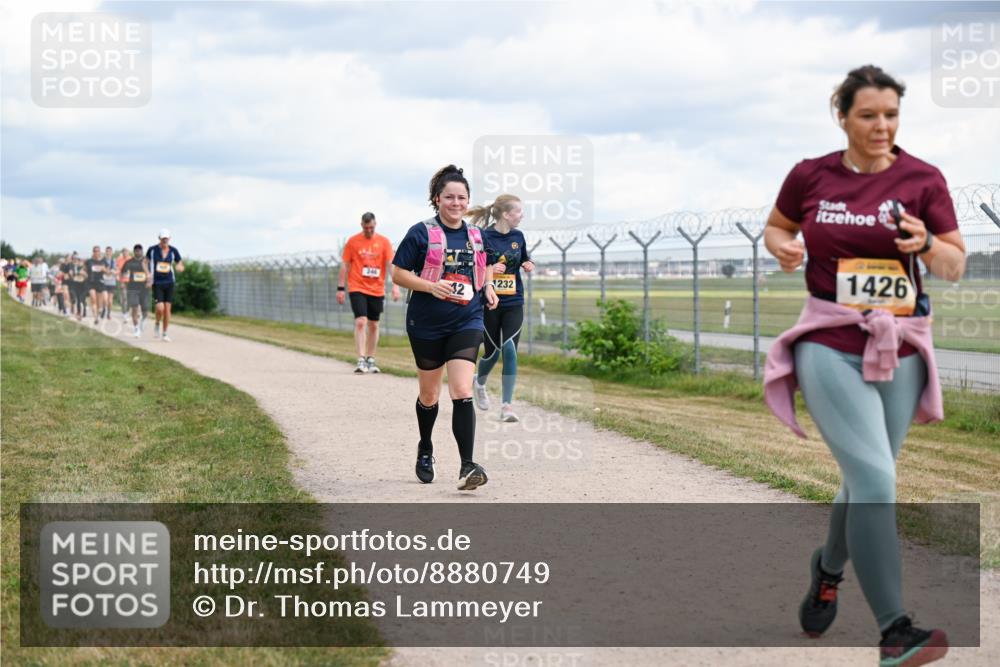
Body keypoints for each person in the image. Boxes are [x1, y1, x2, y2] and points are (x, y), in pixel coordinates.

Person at [762, 65, 965, 667]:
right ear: (843, 116)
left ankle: (827, 572)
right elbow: (776, 228)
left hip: (901, 344)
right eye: (869, 115)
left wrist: (926, 244)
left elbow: (954, 264)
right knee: (877, 480)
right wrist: (783, 248)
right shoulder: (811, 175)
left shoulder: (923, 179)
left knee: (864, 480)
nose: (882, 126)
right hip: (828, 339)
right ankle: (894, 631)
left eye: (891, 115)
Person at [390, 165, 499, 490]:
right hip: (427, 323)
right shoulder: (420, 233)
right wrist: (430, 286)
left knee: (462, 390)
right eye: (449, 197)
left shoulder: (476, 235)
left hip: (467, 319)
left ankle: (467, 466)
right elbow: (398, 273)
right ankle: (425, 448)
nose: (456, 203)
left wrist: (488, 286)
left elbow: (486, 262)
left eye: (461, 198)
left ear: (468, 200)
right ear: (437, 199)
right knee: (429, 394)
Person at [467, 195, 535, 422]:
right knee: (493, 352)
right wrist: (490, 269)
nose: (522, 216)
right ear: (506, 214)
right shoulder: (484, 236)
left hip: (514, 301)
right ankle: (480, 382)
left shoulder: (518, 236)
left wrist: (528, 263)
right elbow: (475, 267)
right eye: (519, 211)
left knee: (510, 349)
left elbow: (524, 258)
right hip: (490, 301)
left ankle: (507, 406)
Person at [336, 212, 401, 373]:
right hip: (357, 286)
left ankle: (370, 358)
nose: (369, 230)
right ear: (362, 226)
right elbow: (345, 265)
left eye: (371, 227)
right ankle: (361, 358)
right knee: (361, 321)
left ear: (375, 224)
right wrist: (340, 288)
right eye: (366, 228)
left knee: (374, 324)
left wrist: (395, 286)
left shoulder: (384, 242)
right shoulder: (353, 241)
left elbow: (391, 265)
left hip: (376, 288)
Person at [146, 229, 184, 342]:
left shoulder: (173, 251)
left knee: (167, 309)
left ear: (169, 238)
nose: (165, 241)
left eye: (166, 239)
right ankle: (157, 323)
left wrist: (180, 267)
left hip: (169, 282)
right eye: (163, 239)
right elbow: (144, 262)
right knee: (160, 308)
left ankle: (165, 333)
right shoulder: (152, 250)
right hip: (157, 282)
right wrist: (148, 274)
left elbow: (180, 263)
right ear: (159, 238)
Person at [121, 244, 150, 337]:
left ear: (142, 251)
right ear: (134, 252)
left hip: (144, 289)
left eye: (139, 250)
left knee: (145, 311)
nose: (138, 252)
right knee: (135, 308)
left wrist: (150, 282)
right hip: (132, 288)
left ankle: (143, 320)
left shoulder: (147, 262)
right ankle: (136, 328)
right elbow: (123, 272)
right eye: (136, 250)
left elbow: (152, 273)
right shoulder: (129, 262)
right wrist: (123, 280)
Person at [84, 245, 106, 325]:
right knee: (93, 299)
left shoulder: (103, 261)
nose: (96, 252)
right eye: (95, 251)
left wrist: (104, 269)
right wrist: (83, 273)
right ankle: (95, 318)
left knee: (99, 302)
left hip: (99, 282)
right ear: (93, 252)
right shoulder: (89, 261)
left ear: (100, 252)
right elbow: (84, 270)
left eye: (98, 251)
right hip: (90, 282)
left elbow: (107, 271)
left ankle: (100, 309)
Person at [65, 253, 88, 320]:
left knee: (81, 300)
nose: (75, 260)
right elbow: (69, 274)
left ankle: (83, 311)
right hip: (74, 284)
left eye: (77, 259)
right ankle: (78, 314)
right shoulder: (71, 266)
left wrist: (84, 274)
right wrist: (70, 275)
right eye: (74, 259)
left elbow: (87, 276)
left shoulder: (84, 267)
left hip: (82, 285)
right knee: (75, 299)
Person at [100, 246, 118, 319]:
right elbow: (101, 268)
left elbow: (116, 270)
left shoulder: (114, 261)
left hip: (112, 282)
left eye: (109, 251)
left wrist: (114, 272)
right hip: (103, 282)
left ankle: (109, 313)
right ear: (105, 252)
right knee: (105, 299)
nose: (108, 253)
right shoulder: (102, 260)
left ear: (111, 252)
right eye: (107, 251)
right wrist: (107, 271)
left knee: (110, 301)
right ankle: (104, 309)